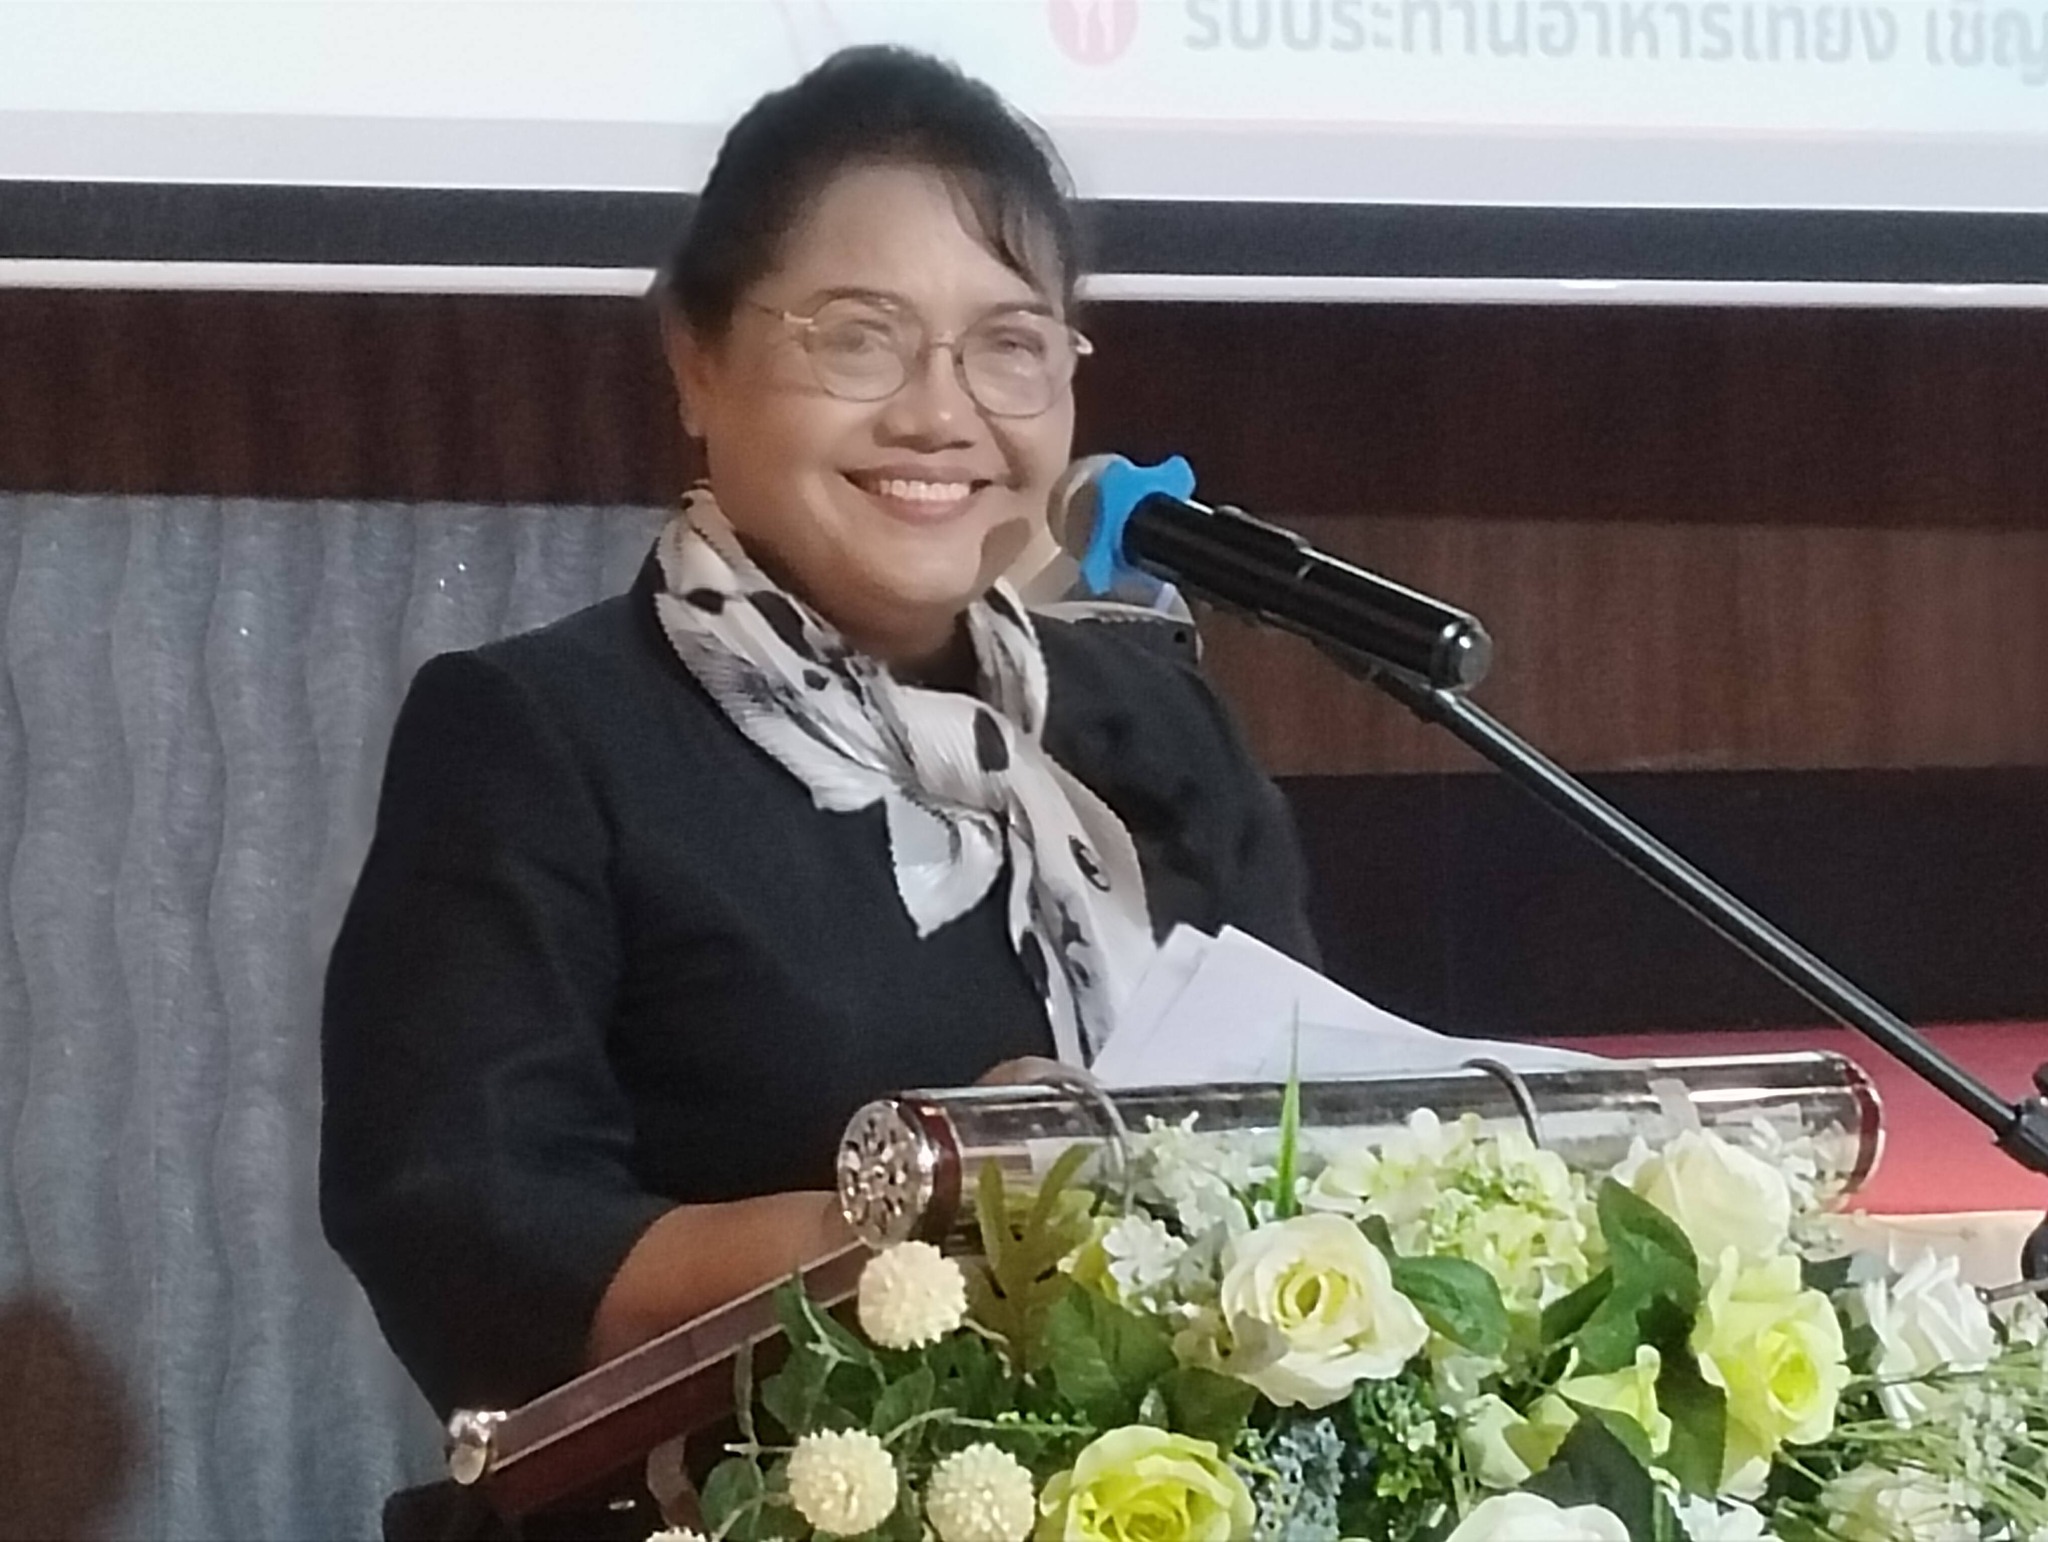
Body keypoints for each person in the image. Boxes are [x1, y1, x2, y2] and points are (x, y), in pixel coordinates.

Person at [320, 44, 1315, 1536]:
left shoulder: (1151, 730)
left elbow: (1318, 1140)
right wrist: (941, 1219)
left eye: (1011, 345)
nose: (941, 414)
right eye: (861, 339)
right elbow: (478, 1235)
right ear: (696, 359)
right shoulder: (544, 733)